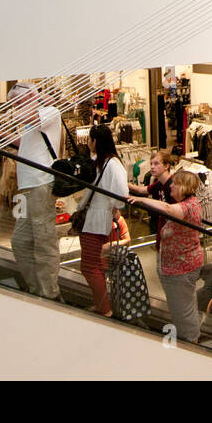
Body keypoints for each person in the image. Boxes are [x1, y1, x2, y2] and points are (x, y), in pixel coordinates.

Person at [130, 169, 205, 343]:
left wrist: (140, 199)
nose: (171, 186)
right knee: (185, 306)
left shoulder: (187, 207)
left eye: (176, 183)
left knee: (182, 310)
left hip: (181, 268)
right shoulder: (190, 204)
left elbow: (166, 207)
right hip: (181, 266)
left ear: (184, 187)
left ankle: (190, 342)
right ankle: (190, 336)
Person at [6, 82, 64, 298]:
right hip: (25, 187)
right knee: (20, 241)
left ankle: (49, 292)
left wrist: (37, 100)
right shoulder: (31, 116)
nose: (15, 107)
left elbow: (26, 117)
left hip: (41, 183)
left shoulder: (49, 111)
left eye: (17, 101)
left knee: (44, 240)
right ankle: (36, 288)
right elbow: (25, 143)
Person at [78, 123, 128, 316]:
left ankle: (105, 309)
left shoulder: (111, 164)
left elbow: (121, 195)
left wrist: (113, 205)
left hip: (96, 220)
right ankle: (102, 306)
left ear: (95, 141)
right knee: (95, 265)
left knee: (89, 267)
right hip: (95, 219)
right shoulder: (104, 161)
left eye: (90, 139)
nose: (88, 143)